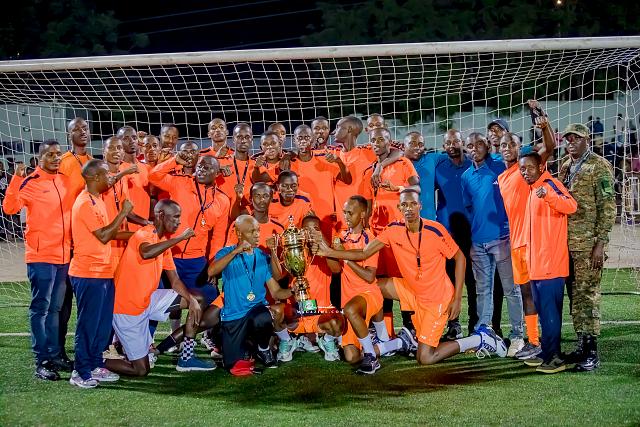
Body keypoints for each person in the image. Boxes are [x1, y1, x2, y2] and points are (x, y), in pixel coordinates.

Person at [315, 189, 508, 365]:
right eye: (404, 205)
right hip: (411, 290)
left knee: (425, 357)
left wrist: (457, 298)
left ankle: (480, 339)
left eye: (413, 204)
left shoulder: (435, 230)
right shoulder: (393, 230)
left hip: (436, 299)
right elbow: (364, 253)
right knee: (373, 288)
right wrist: (330, 252)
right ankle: (384, 338)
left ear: (420, 206)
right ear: (399, 208)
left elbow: (460, 258)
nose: (409, 209)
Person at [106, 200, 216, 375]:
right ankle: (93, 360)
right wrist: (180, 238)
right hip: (128, 309)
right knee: (141, 370)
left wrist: (191, 300)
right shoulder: (144, 233)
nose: (179, 221)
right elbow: (146, 252)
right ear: (161, 215)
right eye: (176, 217)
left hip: (148, 300)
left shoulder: (163, 241)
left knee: (198, 298)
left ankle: (187, 356)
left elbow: (175, 281)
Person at [3, 140, 77, 380]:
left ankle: (56, 355)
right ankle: (41, 360)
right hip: (41, 256)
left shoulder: (65, 181)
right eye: (50, 154)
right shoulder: (31, 182)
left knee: (56, 308)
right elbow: (10, 208)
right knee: (41, 309)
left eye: (58, 154)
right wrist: (16, 179)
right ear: (40, 158)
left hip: (64, 255)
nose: (56, 158)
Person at [497, 101, 556, 360]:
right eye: (503, 145)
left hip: (535, 242)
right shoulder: (501, 177)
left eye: (512, 144)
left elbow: (549, 147)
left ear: (519, 147)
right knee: (525, 293)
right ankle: (533, 341)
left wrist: (544, 124)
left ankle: (550, 342)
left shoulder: (527, 168)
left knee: (540, 293)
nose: (507, 148)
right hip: (516, 243)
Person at [68, 159, 133, 388]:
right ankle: (80, 371)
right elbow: (105, 235)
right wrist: (123, 213)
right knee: (88, 325)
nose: (111, 177)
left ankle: (95, 364)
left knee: (102, 325)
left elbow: (110, 233)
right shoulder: (85, 203)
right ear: (95, 177)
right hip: (88, 273)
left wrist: (139, 235)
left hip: (104, 271)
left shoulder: (98, 200)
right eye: (107, 174)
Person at [558, 123, 616, 371]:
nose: (571, 142)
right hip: (567, 244)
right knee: (575, 296)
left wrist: (600, 244)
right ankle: (581, 344)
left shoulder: (598, 165)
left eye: (577, 138)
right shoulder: (565, 166)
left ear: (587, 140)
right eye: (568, 138)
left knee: (588, 295)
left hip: (588, 245)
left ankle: (592, 351)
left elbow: (608, 207)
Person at [461, 132, 524, 356]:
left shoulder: (501, 165)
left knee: (511, 289)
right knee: (483, 291)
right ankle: (484, 334)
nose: (475, 148)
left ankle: (517, 336)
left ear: (488, 145)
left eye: (479, 144)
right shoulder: (466, 176)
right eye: (470, 145)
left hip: (502, 238)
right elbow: (470, 207)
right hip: (478, 242)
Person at [208, 215, 294, 376]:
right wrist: (236, 251)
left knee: (264, 317)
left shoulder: (262, 256)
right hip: (233, 316)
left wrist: (294, 291)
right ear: (239, 233)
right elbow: (211, 271)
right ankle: (244, 346)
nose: (257, 235)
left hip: (256, 310)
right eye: (251, 231)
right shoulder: (226, 253)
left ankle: (264, 348)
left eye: (258, 230)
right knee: (232, 365)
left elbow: (276, 291)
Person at [518, 152, 577, 373]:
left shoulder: (550, 184)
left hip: (551, 265)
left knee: (551, 314)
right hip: (537, 265)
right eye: (522, 169)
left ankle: (555, 358)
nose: (525, 172)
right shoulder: (533, 189)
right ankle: (547, 352)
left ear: (541, 167)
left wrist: (549, 196)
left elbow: (572, 206)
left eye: (530, 168)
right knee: (544, 313)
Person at [149, 148, 230, 307]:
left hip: (196, 260)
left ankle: (193, 324)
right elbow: (153, 176)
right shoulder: (180, 183)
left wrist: (213, 265)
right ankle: (158, 324)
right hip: (168, 255)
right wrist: (174, 161)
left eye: (207, 167)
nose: (201, 170)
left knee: (211, 301)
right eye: (199, 166)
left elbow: (218, 237)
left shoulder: (222, 200)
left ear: (217, 173)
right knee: (155, 302)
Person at [325, 195, 388, 374]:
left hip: (368, 294)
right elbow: (335, 269)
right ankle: (392, 344)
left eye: (350, 213)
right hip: (349, 298)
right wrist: (328, 250)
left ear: (362, 214)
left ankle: (371, 356)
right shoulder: (341, 236)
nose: (346, 216)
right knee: (351, 357)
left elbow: (369, 276)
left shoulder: (370, 239)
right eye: (344, 212)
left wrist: (344, 256)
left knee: (351, 309)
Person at [276, 215, 344, 363]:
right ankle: (288, 339)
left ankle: (326, 340)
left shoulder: (325, 253)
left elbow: (336, 269)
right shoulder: (292, 251)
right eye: (306, 229)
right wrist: (273, 250)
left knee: (338, 322)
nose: (310, 233)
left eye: (315, 229)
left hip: (320, 313)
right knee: (275, 313)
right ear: (300, 232)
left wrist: (323, 245)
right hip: (296, 313)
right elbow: (278, 275)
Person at [434, 129, 476, 339]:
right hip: (447, 233)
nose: (452, 145)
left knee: (472, 281)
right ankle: (454, 325)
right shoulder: (439, 168)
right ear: (444, 146)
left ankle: (475, 325)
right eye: (448, 142)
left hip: (471, 232)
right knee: (449, 281)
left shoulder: (473, 164)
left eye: (456, 141)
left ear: (462, 143)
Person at [290, 124, 351, 236]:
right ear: (294, 141)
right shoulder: (289, 164)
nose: (303, 141)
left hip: (327, 219)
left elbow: (347, 180)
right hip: (301, 220)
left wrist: (339, 162)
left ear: (313, 140)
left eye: (307, 137)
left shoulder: (325, 158)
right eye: (299, 138)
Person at [118, 126, 151, 230]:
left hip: (145, 227)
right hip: (127, 228)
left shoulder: (146, 168)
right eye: (126, 138)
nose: (131, 141)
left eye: (134, 137)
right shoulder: (118, 170)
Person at [403, 131, 441, 221]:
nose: (417, 147)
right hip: (404, 220)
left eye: (421, 144)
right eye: (412, 144)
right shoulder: (397, 164)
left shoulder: (431, 159)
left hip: (428, 219)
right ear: (404, 146)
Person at [218, 123, 255, 213]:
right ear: (233, 139)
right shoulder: (220, 163)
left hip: (246, 215)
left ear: (251, 139)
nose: (243, 140)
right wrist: (216, 169)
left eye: (247, 137)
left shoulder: (256, 166)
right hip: (222, 214)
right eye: (239, 137)